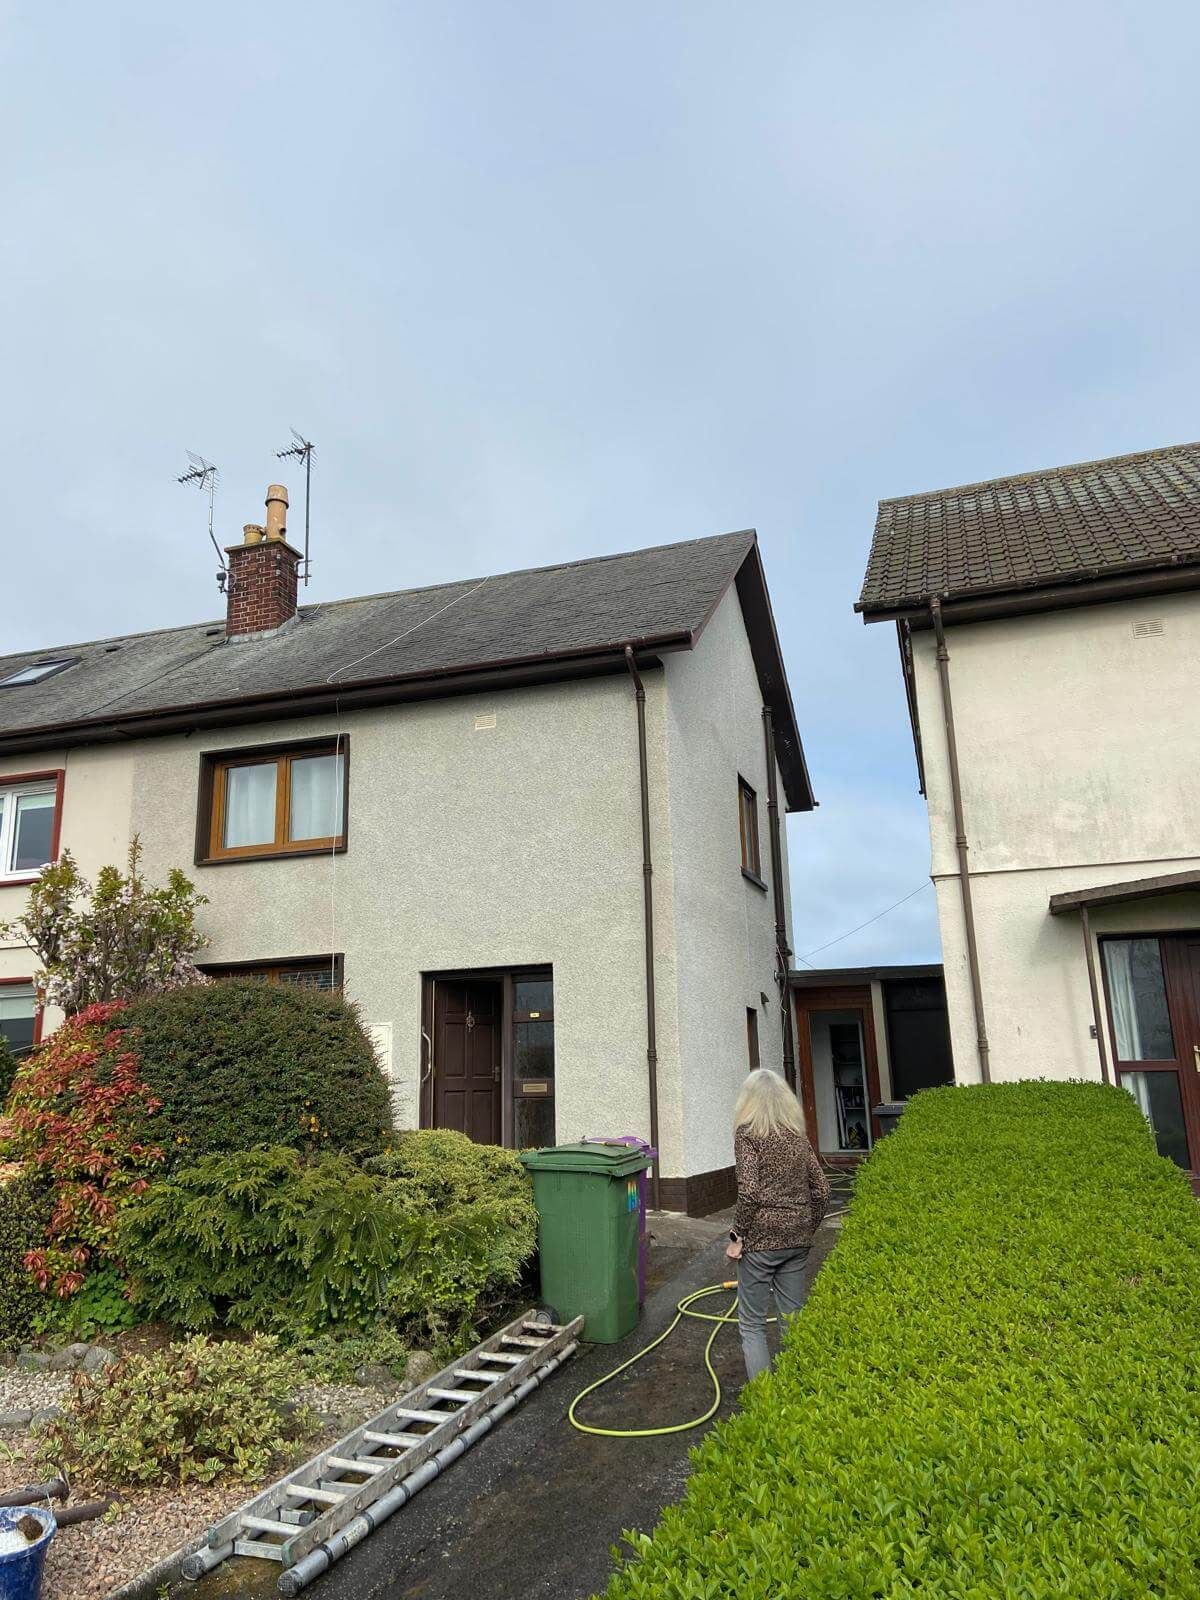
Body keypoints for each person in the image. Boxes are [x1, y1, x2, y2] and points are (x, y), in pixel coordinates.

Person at [725, 1067, 829, 1380]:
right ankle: (794, 1392)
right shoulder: (797, 1137)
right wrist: (805, 1225)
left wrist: (737, 1236)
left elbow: (749, 1192)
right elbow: (822, 1189)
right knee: (792, 1318)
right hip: (797, 1239)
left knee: (753, 1323)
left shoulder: (747, 1135)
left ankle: (763, 1400)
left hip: (760, 1242)